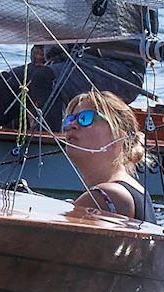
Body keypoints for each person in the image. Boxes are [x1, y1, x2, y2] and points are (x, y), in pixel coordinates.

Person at [0, 3, 158, 132]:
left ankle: (50, 150)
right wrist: (43, 48)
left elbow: (148, 32)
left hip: (121, 71)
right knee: (5, 83)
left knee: (46, 80)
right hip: (72, 63)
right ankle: (2, 145)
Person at [63, 89, 157, 224]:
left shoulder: (106, 197)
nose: (71, 126)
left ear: (118, 135)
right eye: (69, 119)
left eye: (85, 118)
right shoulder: (135, 190)